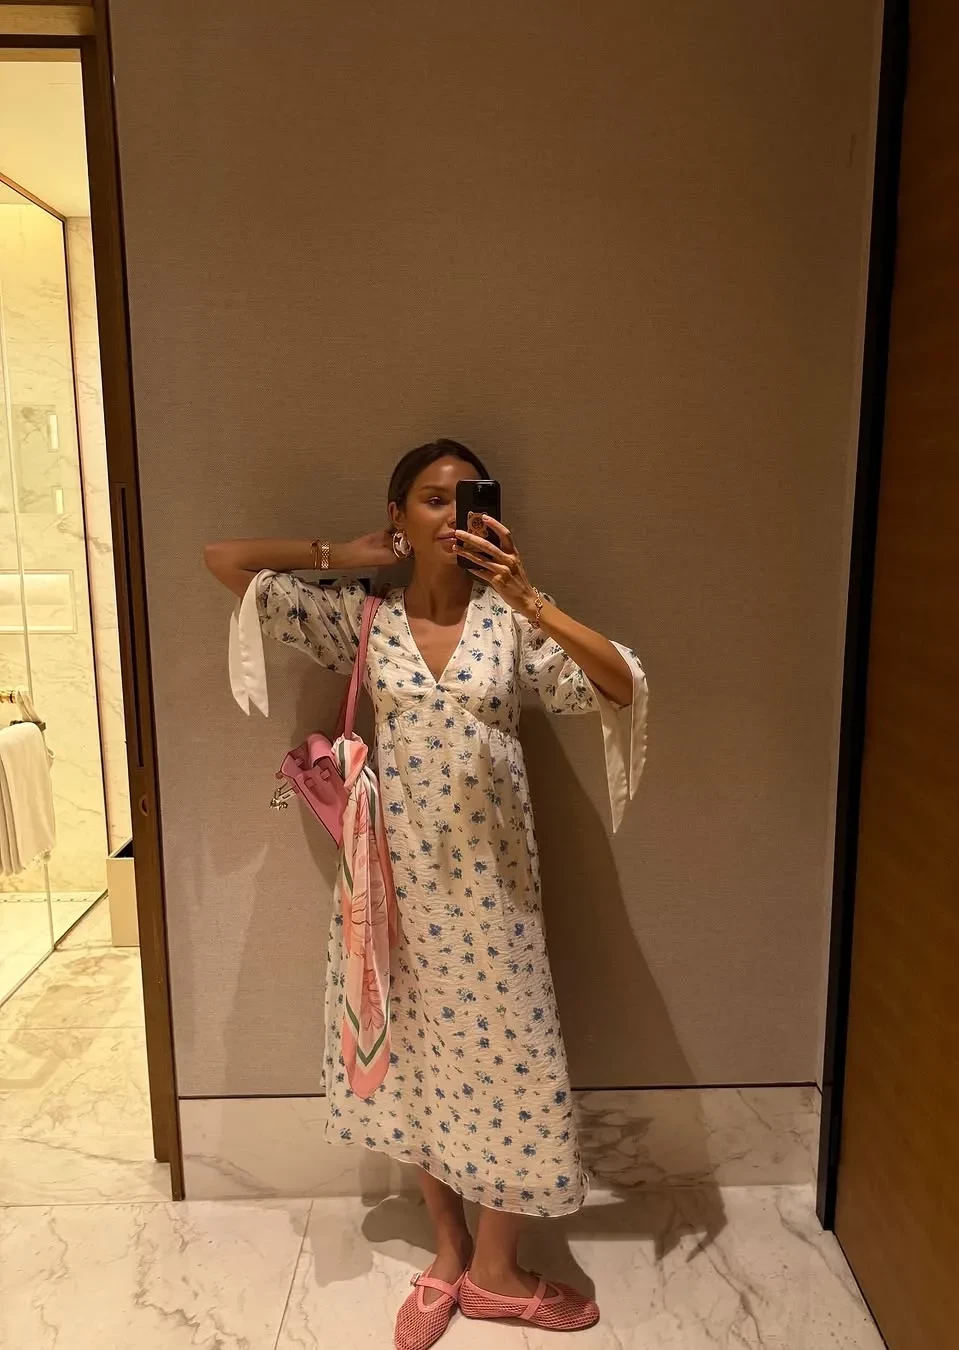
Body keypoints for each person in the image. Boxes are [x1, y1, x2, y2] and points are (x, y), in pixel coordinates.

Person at [205, 438, 646, 1350]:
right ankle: (451, 1253)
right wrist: (343, 555)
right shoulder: (364, 619)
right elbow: (225, 562)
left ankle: (497, 1273)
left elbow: (618, 682)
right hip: (393, 893)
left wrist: (529, 595)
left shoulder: (510, 623)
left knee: (513, 1065)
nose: (452, 515)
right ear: (399, 514)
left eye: (468, 498)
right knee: (415, 1063)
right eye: (432, 499)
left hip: (497, 900)